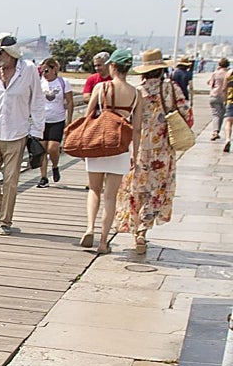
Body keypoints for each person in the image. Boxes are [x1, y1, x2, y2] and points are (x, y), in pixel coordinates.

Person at [116, 49, 190, 254]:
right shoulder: (171, 88)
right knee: (157, 190)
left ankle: (135, 230)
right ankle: (142, 230)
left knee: (137, 189)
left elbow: (127, 119)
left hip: (138, 148)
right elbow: (185, 111)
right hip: (164, 148)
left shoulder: (137, 90)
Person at [0, 33, 45, 235]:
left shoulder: (28, 70)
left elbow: (37, 102)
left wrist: (37, 130)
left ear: (11, 54)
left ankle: (5, 221)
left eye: (0, 54)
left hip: (16, 133)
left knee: (11, 180)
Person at [79, 49, 141, 255]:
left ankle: (90, 228)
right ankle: (104, 241)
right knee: (111, 196)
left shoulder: (101, 87)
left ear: (112, 66)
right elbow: (137, 127)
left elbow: (88, 116)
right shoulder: (136, 93)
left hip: (98, 143)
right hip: (120, 146)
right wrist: (135, 153)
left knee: (94, 189)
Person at [37, 58, 73, 186]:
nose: (44, 73)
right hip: (42, 120)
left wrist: (69, 120)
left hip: (57, 120)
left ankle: (55, 166)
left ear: (54, 70)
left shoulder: (63, 82)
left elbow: (69, 102)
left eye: (46, 70)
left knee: (52, 148)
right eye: (42, 71)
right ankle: (43, 177)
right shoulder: (39, 83)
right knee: (42, 149)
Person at [207, 58, 229, 140]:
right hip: (225, 97)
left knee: (216, 114)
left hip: (214, 95)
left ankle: (215, 131)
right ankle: (217, 131)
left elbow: (211, 84)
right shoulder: (229, 74)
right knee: (221, 115)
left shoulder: (215, 73)